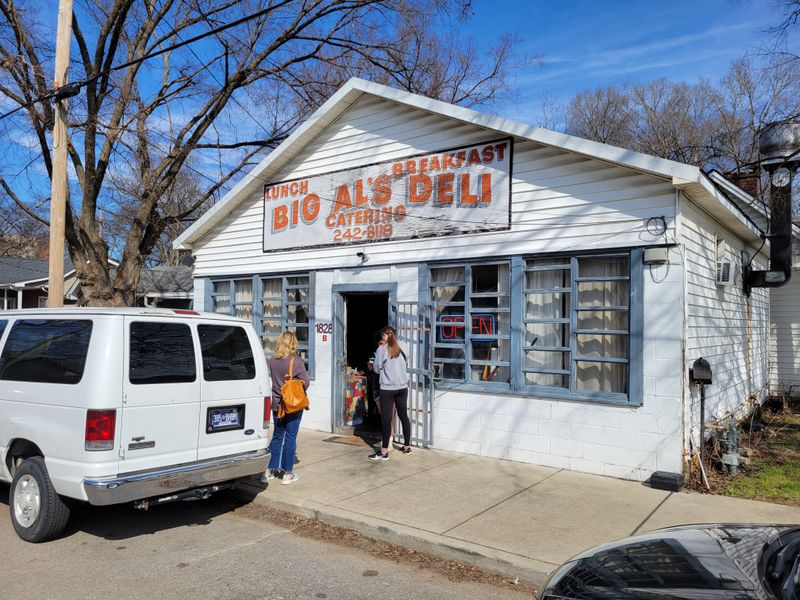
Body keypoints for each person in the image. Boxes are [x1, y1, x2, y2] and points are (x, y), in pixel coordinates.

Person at [262, 331, 309, 484]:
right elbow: (305, 382)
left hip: (276, 403)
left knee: (277, 435)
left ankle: (268, 470)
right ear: (292, 343)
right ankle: (287, 473)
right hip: (292, 404)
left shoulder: (272, 360)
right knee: (290, 437)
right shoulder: (296, 361)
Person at [369, 325, 412, 461]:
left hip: (387, 389)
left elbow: (376, 368)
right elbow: (406, 362)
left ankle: (384, 451)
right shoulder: (404, 346)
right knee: (403, 416)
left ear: (384, 336)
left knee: (386, 420)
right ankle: (407, 446)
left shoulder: (381, 349)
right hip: (402, 387)